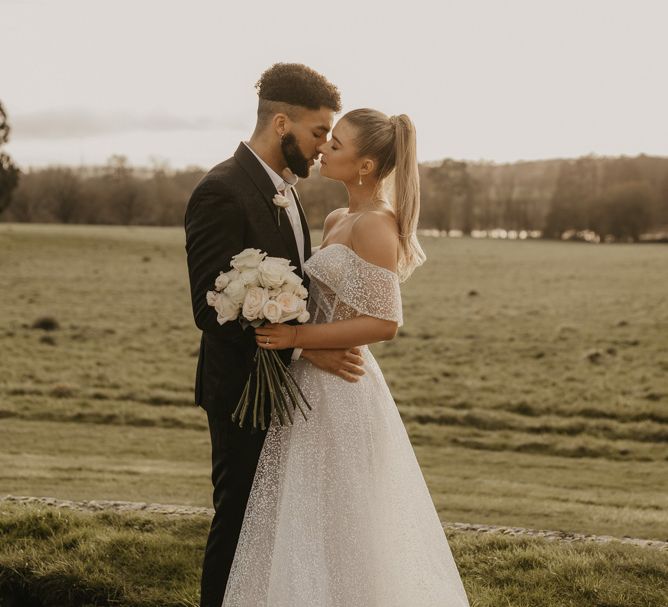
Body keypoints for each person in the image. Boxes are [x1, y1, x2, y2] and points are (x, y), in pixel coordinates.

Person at [222, 109, 471, 606]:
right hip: (312, 383)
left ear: (365, 165)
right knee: (303, 519)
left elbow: (385, 324)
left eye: (336, 144)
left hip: (344, 391)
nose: (325, 149)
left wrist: (298, 340)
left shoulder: (377, 225)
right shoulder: (338, 219)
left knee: (345, 523)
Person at [184, 63, 366, 607]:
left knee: (277, 528)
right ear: (281, 123)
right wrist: (306, 341)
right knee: (239, 521)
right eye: (318, 133)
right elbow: (209, 309)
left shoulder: (285, 191)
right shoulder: (221, 190)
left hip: (287, 391)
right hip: (242, 391)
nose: (323, 146)